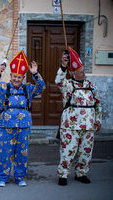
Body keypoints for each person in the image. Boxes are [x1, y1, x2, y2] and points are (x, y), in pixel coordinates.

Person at [0, 50, 45, 187]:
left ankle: (20, 177)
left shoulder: (28, 89)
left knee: (22, 153)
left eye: (19, 77)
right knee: (4, 153)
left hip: (24, 126)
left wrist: (35, 74)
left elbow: (42, 87)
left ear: (23, 77)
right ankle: (2, 177)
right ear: (11, 75)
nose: (16, 79)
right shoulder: (3, 88)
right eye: (14, 76)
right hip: (6, 127)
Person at [56, 47, 102, 186]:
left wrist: (98, 120)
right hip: (70, 125)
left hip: (89, 125)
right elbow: (58, 81)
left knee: (85, 152)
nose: (84, 74)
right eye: (81, 72)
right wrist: (63, 66)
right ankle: (63, 174)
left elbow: (98, 104)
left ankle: (81, 173)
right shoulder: (68, 85)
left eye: (84, 71)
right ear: (74, 74)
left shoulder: (90, 85)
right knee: (67, 151)